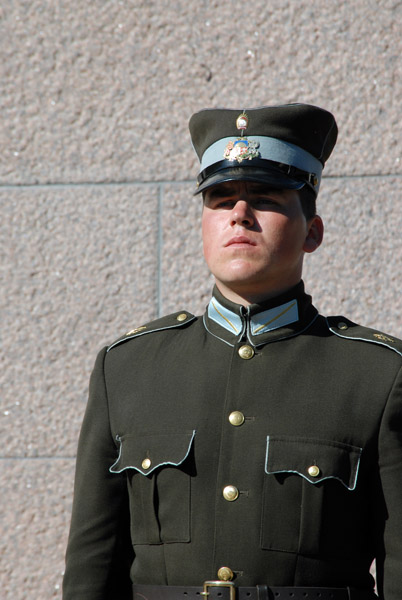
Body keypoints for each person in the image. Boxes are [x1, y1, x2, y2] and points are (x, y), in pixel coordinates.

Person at [63, 103, 402, 600]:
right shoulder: (127, 368)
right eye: (220, 200)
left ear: (312, 232)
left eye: (264, 198)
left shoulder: (376, 375)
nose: (239, 214)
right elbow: (91, 569)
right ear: (202, 228)